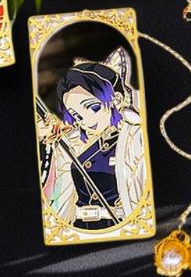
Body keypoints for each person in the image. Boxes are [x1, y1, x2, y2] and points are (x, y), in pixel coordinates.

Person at [38, 49, 145, 230]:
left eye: (92, 108)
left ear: (117, 99)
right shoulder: (76, 143)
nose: (86, 121)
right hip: (79, 227)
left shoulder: (134, 138)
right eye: (77, 116)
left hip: (118, 225)